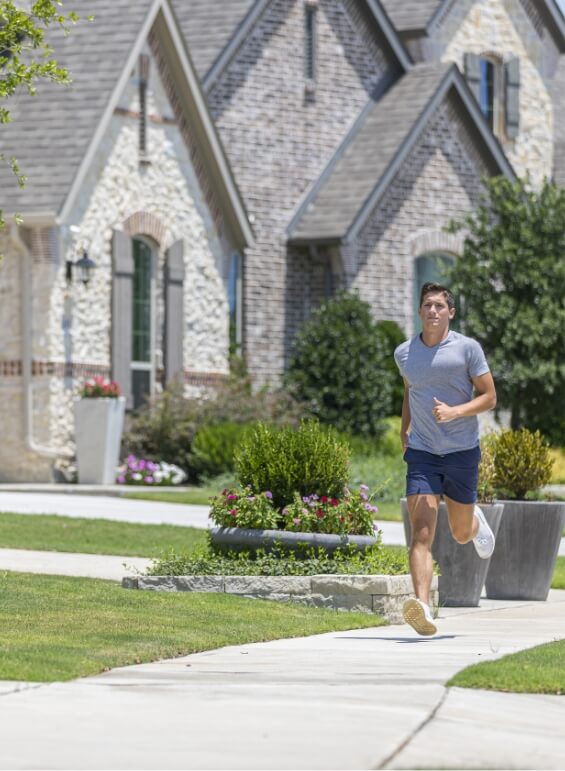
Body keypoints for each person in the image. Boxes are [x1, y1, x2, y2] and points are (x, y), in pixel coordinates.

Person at [394, 281, 497, 636]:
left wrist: (456, 412)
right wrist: (405, 429)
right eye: (428, 305)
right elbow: (411, 391)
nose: (433, 311)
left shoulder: (467, 349)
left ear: (450, 312)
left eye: (440, 305)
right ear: (419, 311)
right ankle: (422, 606)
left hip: (461, 452)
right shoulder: (404, 354)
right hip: (422, 453)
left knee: (459, 532)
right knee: (421, 533)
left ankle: (476, 523)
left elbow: (489, 397)